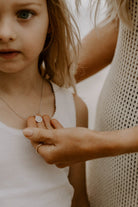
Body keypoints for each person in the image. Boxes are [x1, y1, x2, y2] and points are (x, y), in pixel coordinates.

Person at [23, 0, 138, 206]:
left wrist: (102, 143)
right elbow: (128, 22)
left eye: (24, 14)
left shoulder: (76, 110)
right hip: (107, 169)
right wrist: (35, 81)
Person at [0, 0, 90, 206]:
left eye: (24, 14)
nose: (5, 33)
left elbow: (79, 199)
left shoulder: (74, 108)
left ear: (51, 22)